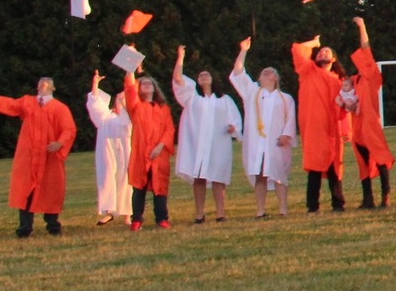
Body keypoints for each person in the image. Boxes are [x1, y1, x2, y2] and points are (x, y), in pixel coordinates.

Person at [0, 76, 75, 238]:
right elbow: (4, 106)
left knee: (51, 191)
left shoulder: (60, 108)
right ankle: (25, 228)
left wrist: (60, 143)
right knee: (26, 191)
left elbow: (69, 129)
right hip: (29, 156)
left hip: (49, 158)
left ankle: (53, 226)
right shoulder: (28, 103)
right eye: (40, 82)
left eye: (47, 82)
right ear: (37, 87)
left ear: (53, 88)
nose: (43, 84)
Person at [169, 45, 241, 224]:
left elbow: (235, 120)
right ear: (197, 81)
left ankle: (220, 213)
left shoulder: (224, 100)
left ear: (213, 79)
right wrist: (180, 57)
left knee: (218, 177)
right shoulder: (193, 97)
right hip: (198, 143)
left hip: (218, 144)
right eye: (200, 75)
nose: (203, 76)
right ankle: (199, 214)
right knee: (199, 177)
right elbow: (178, 79)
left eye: (206, 74)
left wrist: (234, 128)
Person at [229, 41, 295, 218]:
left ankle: (282, 208)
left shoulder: (285, 98)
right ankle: (260, 210)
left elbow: (290, 119)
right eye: (263, 71)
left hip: (276, 142)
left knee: (280, 175)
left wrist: (286, 135)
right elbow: (238, 72)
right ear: (259, 78)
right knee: (260, 175)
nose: (267, 72)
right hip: (258, 142)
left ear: (276, 78)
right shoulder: (252, 93)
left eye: (271, 71)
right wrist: (243, 50)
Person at [290, 35, 347, 213]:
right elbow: (298, 49)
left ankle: (338, 204)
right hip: (314, 127)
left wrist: (346, 129)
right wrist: (314, 43)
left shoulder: (339, 81)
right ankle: (312, 205)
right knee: (314, 165)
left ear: (334, 59)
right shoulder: (308, 71)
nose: (323, 53)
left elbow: (346, 105)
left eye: (326, 52)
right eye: (320, 52)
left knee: (333, 166)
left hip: (332, 128)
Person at [346, 19, 394, 209]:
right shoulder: (353, 80)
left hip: (370, 123)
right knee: (362, 162)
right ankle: (368, 199)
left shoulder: (372, 77)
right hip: (357, 125)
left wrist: (362, 27)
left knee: (381, 159)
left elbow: (366, 48)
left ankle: (386, 196)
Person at [123, 65, 177, 229]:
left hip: (159, 153)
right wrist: (130, 68)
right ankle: (137, 219)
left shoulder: (163, 108)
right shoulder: (136, 107)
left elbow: (169, 129)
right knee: (139, 187)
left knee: (160, 187)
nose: (146, 85)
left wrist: (160, 146)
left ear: (155, 88)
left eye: (149, 83)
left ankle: (161, 218)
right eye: (143, 84)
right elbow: (130, 89)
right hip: (141, 153)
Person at [84, 70, 133, 225]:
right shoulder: (106, 117)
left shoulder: (127, 116)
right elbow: (94, 104)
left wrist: (124, 101)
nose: (120, 95)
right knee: (107, 178)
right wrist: (95, 85)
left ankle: (127, 214)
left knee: (126, 179)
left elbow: (130, 122)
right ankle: (108, 211)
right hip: (107, 151)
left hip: (125, 151)